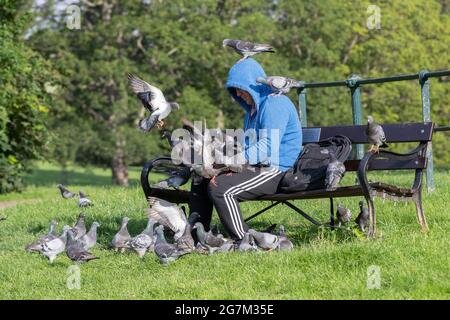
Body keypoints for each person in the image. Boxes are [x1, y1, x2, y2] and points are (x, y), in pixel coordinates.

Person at [188, 58, 302, 240]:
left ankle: (245, 240)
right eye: (235, 91)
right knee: (201, 177)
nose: (238, 95)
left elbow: (268, 147)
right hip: (256, 164)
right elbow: (249, 145)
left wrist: (233, 161)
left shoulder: (274, 104)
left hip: (276, 169)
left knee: (221, 189)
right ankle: (195, 237)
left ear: (252, 85)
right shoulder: (253, 109)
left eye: (240, 89)